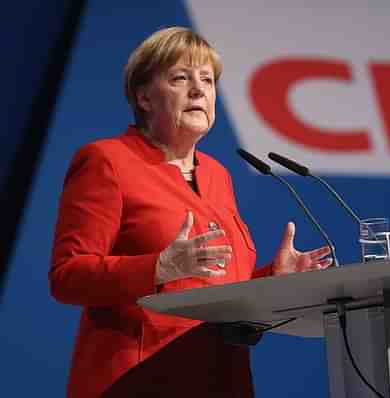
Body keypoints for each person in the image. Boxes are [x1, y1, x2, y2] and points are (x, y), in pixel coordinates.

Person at [49, 26, 332, 398]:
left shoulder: (217, 174)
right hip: (140, 381)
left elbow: (210, 286)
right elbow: (67, 276)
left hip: (223, 378)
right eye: (181, 78)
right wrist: (158, 268)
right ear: (144, 97)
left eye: (207, 80)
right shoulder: (108, 161)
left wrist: (272, 279)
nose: (199, 90)